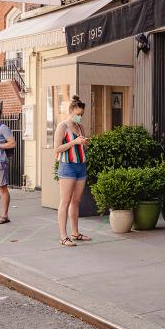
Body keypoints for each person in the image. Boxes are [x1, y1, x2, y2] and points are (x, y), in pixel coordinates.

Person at [55, 96, 91, 246]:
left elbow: (82, 146)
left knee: (76, 201)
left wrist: (84, 143)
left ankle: (75, 233)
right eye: (77, 114)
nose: (79, 117)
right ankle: (63, 236)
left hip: (80, 166)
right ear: (71, 111)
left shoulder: (80, 127)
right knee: (65, 201)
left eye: (81, 115)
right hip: (68, 166)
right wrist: (74, 142)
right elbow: (57, 149)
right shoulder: (63, 126)